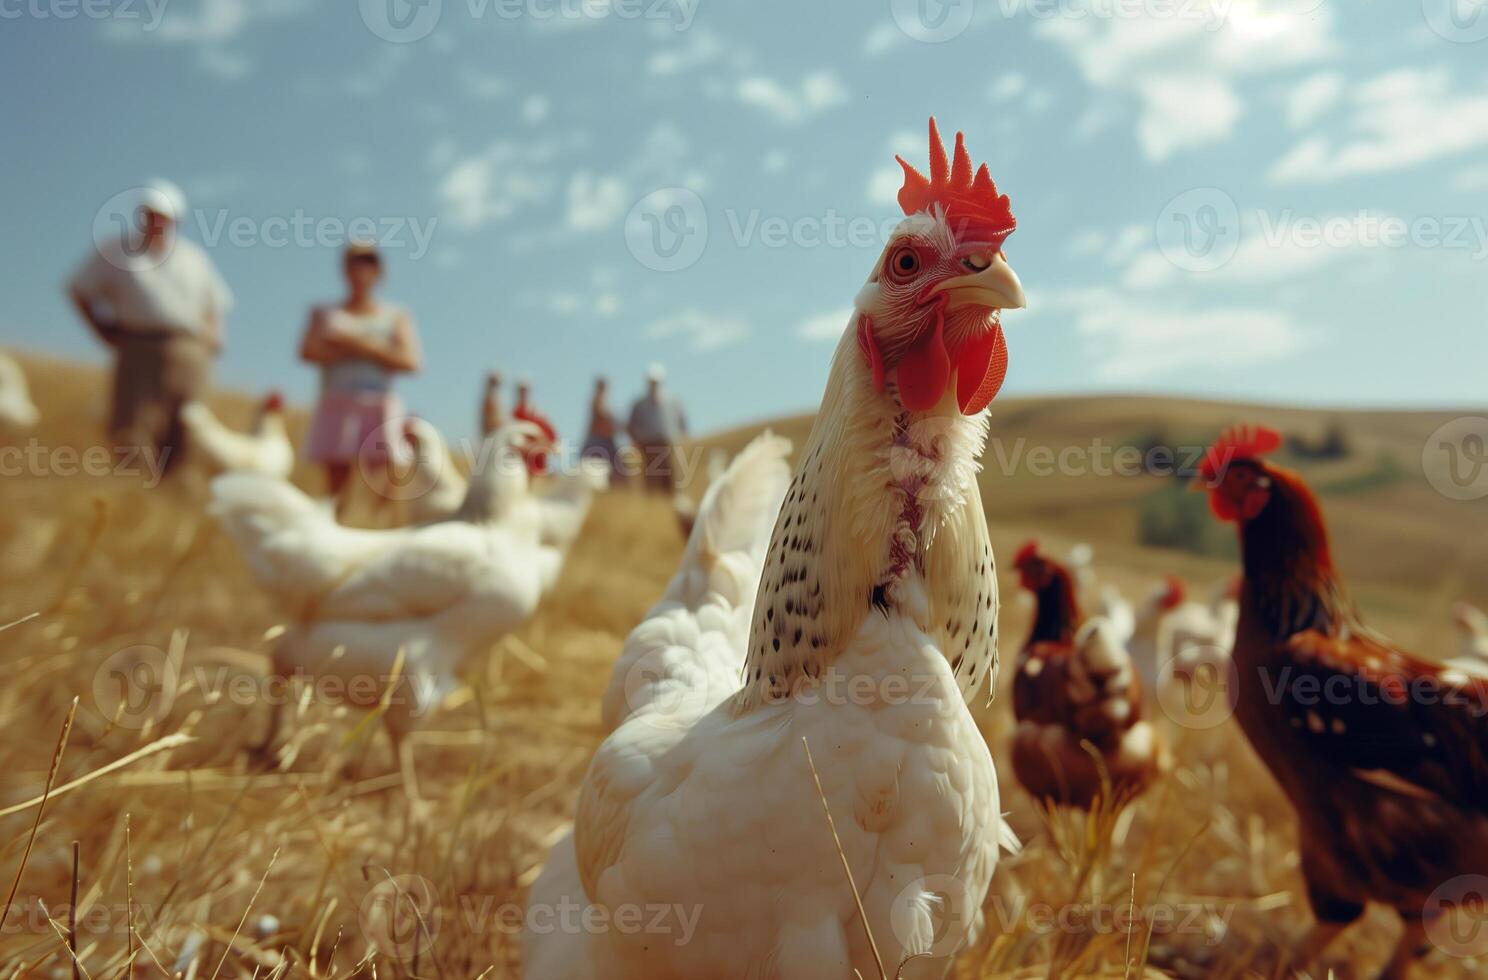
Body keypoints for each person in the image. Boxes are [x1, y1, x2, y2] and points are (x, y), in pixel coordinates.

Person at [67, 180, 232, 476]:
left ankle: (177, 498)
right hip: (139, 349)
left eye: (164, 216)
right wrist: (103, 331)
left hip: (190, 352)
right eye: (151, 214)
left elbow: (215, 302)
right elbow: (79, 289)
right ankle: (135, 496)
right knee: (134, 426)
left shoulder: (193, 257)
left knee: (189, 430)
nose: (157, 222)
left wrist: (213, 337)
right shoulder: (117, 250)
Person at [298, 242, 422, 510]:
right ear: (344, 267)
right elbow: (308, 351)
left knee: (381, 487)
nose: (362, 269)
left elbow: (410, 361)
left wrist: (356, 345)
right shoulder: (323, 312)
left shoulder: (397, 315)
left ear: (379, 270)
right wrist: (375, 348)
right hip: (337, 403)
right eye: (355, 261)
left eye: (369, 262)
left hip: (378, 405)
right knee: (335, 491)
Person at [627, 364, 687, 493]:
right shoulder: (639, 404)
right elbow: (631, 426)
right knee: (652, 482)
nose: (654, 385)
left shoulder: (673, 401)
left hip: (668, 445)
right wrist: (638, 441)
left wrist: (681, 440)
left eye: (656, 382)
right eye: (651, 382)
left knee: (669, 481)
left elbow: (683, 423)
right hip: (648, 447)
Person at [580, 375, 622, 486]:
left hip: (606, 440)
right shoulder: (597, 400)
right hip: (598, 440)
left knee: (615, 468)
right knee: (593, 469)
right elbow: (601, 418)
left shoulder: (606, 402)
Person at [511, 379, 557, 476]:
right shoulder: (514, 415)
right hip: (520, 468)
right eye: (521, 390)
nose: (523, 393)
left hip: (538, 467)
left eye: (525, 390)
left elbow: (551, 439)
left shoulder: (537, 414)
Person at [480, 371, 504, 438]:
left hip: (496, 433)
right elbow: (488, 421)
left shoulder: (496, 397)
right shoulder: (488, 398)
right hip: (491, 434)